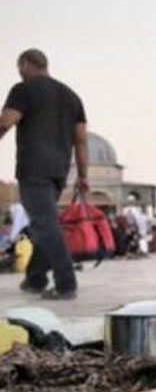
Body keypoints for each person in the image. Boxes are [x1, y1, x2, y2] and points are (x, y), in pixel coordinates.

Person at [0, 49, 88, 300]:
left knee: (45, 224)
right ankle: (35, 279)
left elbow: (6, 121)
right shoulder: (71, 96)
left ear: (25, 64)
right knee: (44, 222)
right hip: (59, 172)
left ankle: (66, 283)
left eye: (20, 68)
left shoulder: (23, 89)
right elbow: (81, 140)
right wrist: (83, 176)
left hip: (33, 169)